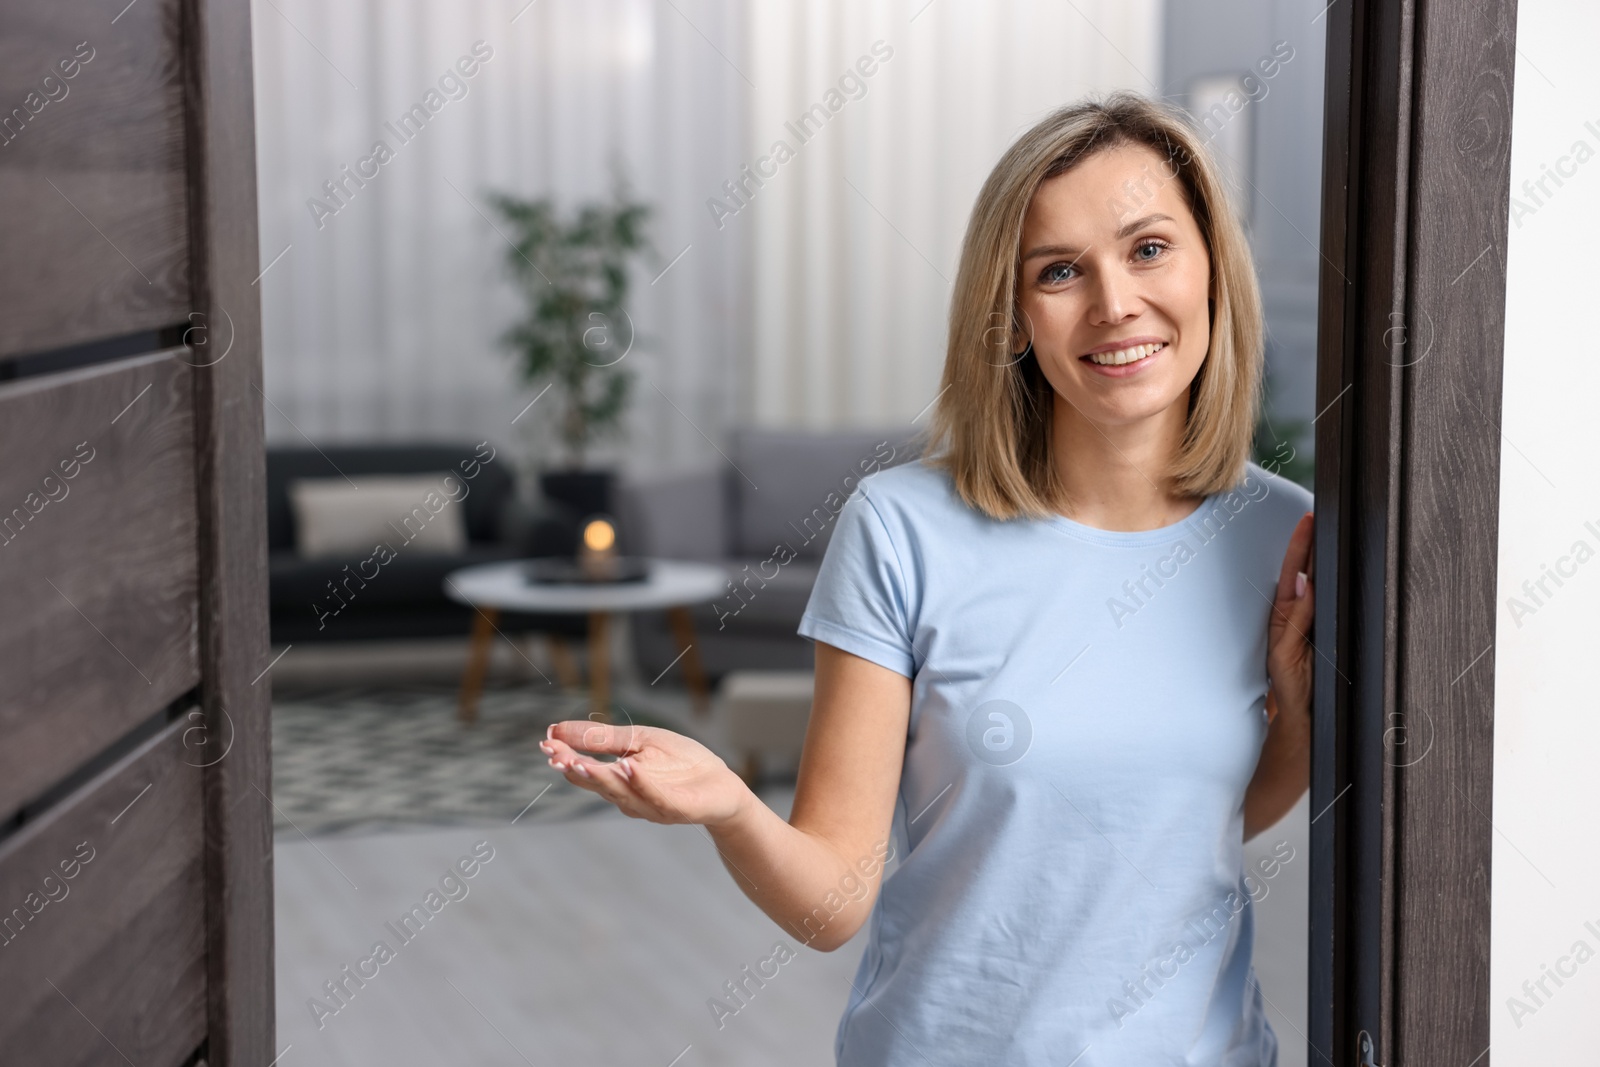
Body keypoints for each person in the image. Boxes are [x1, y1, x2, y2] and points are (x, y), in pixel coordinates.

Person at [539, 90, 1315, 1065]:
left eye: (1149, 248)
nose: (1115, 301)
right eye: (1060, 270)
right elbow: (832, 901)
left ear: (1210, 265)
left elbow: (1190, 818)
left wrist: (1295, 714)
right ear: (1013, 314)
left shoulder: (1283, 531)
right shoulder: (904, 527)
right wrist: (731, 803)